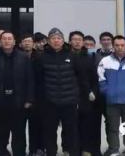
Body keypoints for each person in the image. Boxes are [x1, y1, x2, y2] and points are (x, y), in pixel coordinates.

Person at [37, 28, 89, 156]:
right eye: (53, 38)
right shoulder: (41, 57)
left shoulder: (72, 55)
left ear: (63, 40)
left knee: (71, 132)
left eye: (59, 38)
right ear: (48, 41)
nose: (56, 41)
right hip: (50, 102)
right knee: (49, 132)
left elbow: (81, 78)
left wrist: (78, 98)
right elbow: (38, 80)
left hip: (69, 102)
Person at [0, 31, 34, 156]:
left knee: (19, 134)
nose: (7, 41)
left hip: (19, 102)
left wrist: (29, 99)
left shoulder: (24, 57)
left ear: (14, 42)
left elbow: (30, 80)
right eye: (4, 39)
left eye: (9, 39)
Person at [69, 31, 100, 156]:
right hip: (69, 95)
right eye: (74, 39)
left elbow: (94, 78)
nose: (77, 42)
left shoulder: (88, 58)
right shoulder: (66, 57)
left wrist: (93, 92)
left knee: (85, 124)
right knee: (71, 126)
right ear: (70, 41)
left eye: (79, 39)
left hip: (85, 96)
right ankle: (72, 150)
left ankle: (86, 149)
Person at [83, 35, 103, 156]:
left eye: (91, 45)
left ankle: (95, 149)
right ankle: (84, 148)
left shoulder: (100, 59)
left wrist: (95, 92)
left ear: (95, 46)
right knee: (83, 125)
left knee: (96, 124)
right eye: (86, 45)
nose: (89, 47)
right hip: (83, 96)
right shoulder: (78, 58)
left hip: (97, 96)